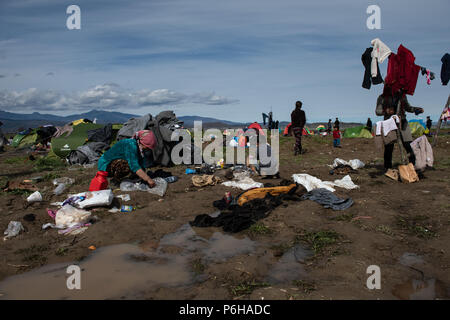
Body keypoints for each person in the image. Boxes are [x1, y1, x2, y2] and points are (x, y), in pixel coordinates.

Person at [89, 130, 157, 191]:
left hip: (113, 163)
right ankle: (115, 181)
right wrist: (148, 179)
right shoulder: (130, 145)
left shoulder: (138, 146)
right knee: (124, 165)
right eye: (147, 147)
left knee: (132, 164)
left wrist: (143, 176)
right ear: (142, 142)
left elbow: (140, 162)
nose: (147, 149)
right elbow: (134, 166)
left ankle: (131, 177)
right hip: (105, 165)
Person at [376, 86, 424, 171]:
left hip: (402, 123)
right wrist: (385, 111)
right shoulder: (382, 97)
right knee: (389, 147)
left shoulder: (402, 96)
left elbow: (407, 107)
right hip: (389, 124)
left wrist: (415, 109)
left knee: (409, 145)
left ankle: (412, 166)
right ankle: (388, 168)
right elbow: (377, 111)